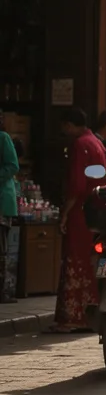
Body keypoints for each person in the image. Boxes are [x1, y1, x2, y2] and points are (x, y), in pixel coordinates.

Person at [53, 108, 106, 331]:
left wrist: (65, 212)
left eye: (64, 127)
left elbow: (77, 184)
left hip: (80, 211)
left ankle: (73, 316)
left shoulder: (79, 145)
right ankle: (89, 313)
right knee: (89, 262)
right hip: (95, 209)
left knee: (74, 260)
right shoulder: (95, 143)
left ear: (69, 125)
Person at [0, 113, 18, 304]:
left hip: (1, 199)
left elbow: (13, 166)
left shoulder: (3, 138)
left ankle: (3, 291)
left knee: (0, 249)